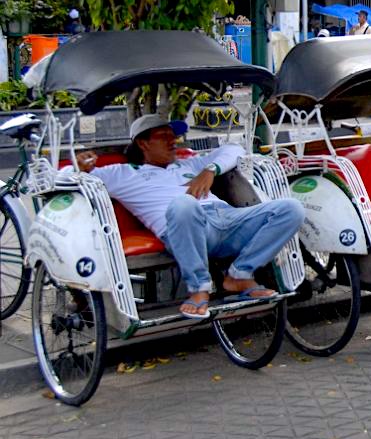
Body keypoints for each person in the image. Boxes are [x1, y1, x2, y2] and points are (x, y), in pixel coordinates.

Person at [76, 115, 305, 319]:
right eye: (163, 136)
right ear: (143, 143)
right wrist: (80, 165)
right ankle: (198, 288)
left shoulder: (190, 164)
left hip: (227, 219)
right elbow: (72, 178)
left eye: (173, 135)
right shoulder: (122, 173)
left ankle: (240, 274)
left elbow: (235, 149)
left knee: (290, 209)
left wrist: (210, 170)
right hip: (184, 229)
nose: (172, 140)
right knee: (184, 203)